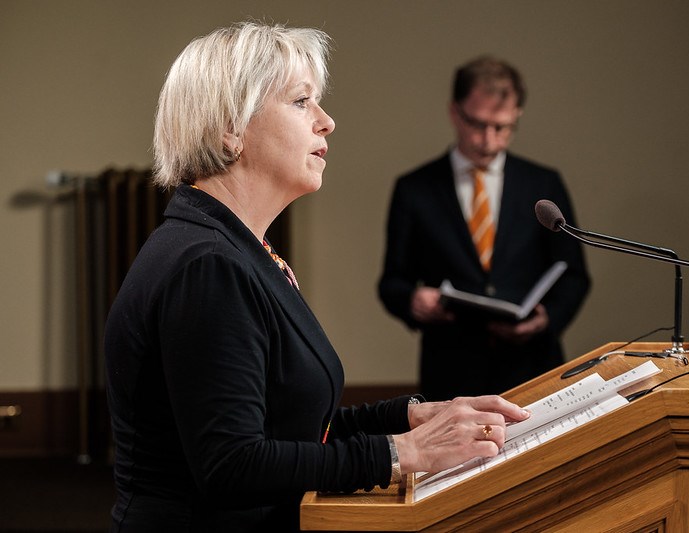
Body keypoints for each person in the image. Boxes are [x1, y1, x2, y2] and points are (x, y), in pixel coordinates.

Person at [103, 22, 531, 532]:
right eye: (301, 101)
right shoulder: (207, 265)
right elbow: (232, 464)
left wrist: (411, 417)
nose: (327, 122)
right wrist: (404, 453)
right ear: (230, 128)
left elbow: (290, 427)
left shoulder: (231, 247)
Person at [378, 56, 591, 402]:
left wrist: (546, 319)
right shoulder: (415, 188)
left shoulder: (543, 183)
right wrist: (412, 301)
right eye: (477, 124)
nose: (488, 140)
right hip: (452, 371)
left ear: (516, 116)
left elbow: (574, 274)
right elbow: (392, 281)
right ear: (454, 112)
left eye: (502, 127)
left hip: (533, 366)